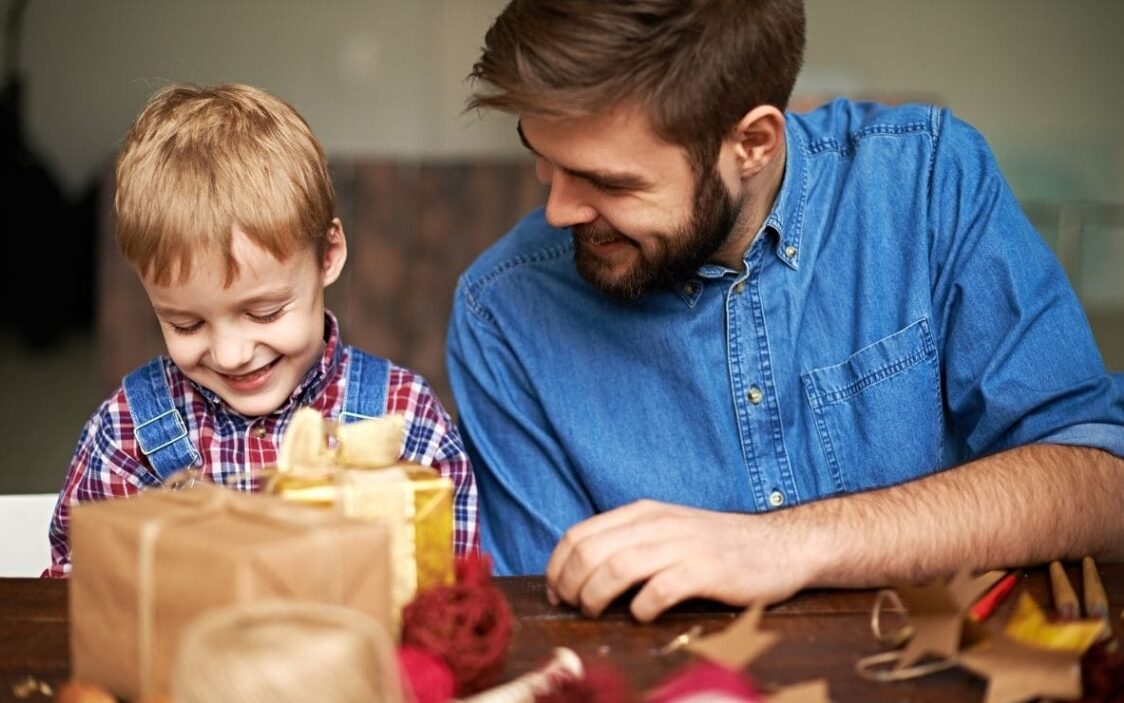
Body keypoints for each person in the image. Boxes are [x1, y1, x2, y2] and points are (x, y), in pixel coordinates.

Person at [447, 0, 1124, 622]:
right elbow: (559, 635)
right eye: (544, 160)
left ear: (753, 144)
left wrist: (788, 544)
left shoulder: (926, 181)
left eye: (609, 181)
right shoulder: (501, 311)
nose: (560, 209)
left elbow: (1099, 479)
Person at [46, 83, 478, 577]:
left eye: (266, 313)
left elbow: (451, 594)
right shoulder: (127, 434)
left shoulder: (406, 420)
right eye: (186, 324)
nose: (230, 355)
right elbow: (81, 592)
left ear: (328, 255)